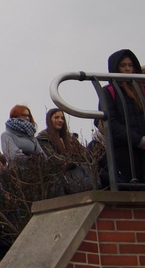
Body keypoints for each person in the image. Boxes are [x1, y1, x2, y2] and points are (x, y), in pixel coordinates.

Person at [102, 49, 145, 184]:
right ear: (116, 67)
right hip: (124, 152)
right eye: (123, 65)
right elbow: (111, 123)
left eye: (130, 65)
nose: (127, 69)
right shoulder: (108, 91)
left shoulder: (140, 91)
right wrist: (139, 140)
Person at [37, 108, 94, 192]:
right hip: (59, 181)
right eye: (56, 118)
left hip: (80, 178)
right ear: (49, 120)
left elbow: (85, 155)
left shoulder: (70, 138)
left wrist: (74, 160)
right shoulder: (43, 139)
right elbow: (55, 159)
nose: (60, 120)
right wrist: (74, 160)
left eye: (62, 118)